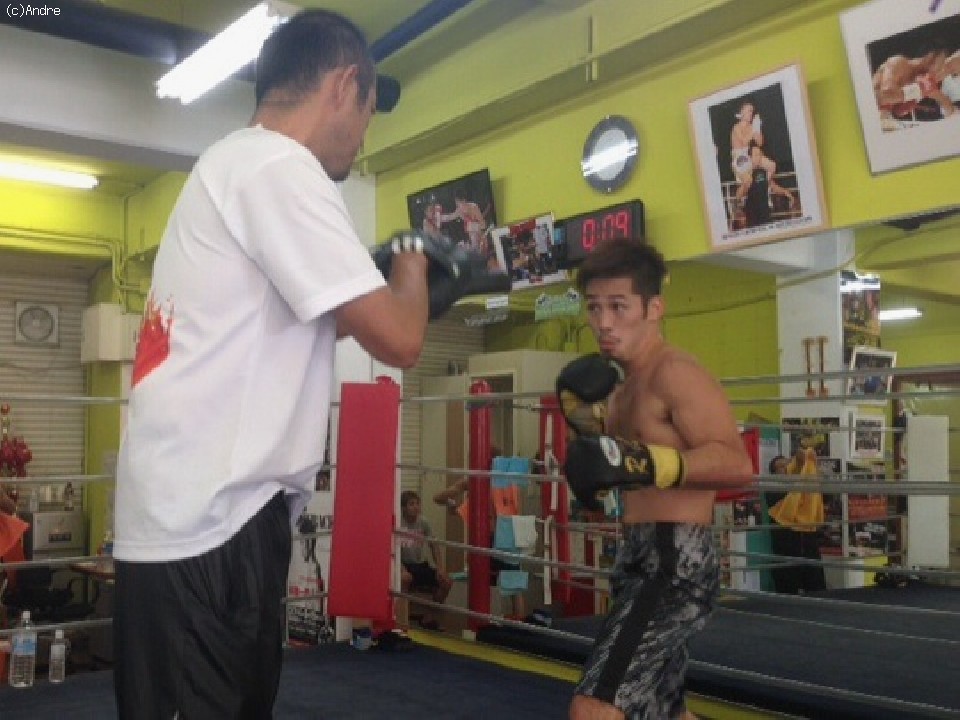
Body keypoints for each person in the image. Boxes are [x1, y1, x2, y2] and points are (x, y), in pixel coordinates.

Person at [110, 10, 474, 718]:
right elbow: (400, 340)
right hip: (210, 524)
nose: (364, 137)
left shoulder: (235, 166)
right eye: (368, 113)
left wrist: (383, 284)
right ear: (344, 85)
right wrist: (413, 263)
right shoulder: (279, 166)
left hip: (200, 521)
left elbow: (290, 333)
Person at [557, 238, 753, 720]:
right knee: (666, 711)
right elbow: (622, 472)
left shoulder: (676, 373)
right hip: (636, 552)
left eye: (619, 306)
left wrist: (655, 463)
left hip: (674, 560)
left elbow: (737, 464)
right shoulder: (620, 389)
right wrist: (588, 435)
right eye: (594, 307)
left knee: (594, 707)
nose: (604, 322)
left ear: (654, 308)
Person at [766, 450, 827, 595]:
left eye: (787, 464)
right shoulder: (772, 490)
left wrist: (810, 466)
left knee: (817, 591)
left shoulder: (807, 490)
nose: (786, 468)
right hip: (786, 551)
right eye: (781, 467)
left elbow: (822, 495)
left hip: (809, 548)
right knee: (787, 593)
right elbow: (788, 499)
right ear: (774, 474)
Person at [398, 490, 452, 630]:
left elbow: (434, 546)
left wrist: (440, 568)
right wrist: (401, 569)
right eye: (411, 504)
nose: (416, 507)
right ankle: (402, 619)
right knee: (405, 579)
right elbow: (391, 549)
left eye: (417, 503)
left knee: (446, 582)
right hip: (404, 565)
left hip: (421, 565)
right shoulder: (398, 522)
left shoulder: (423, 522)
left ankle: (429, 616)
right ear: (403, 508)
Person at [872, 46, 960, 125]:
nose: (942, 73)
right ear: (931, 57)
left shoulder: (922, 80)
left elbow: (898, 111)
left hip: (881, 119)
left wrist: (935, 95)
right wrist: (917, 90)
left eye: (951, 72)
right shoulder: (898, 62)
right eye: (943, 66)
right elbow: (883, 96)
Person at [740, 143, 795, 228]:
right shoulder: (745, 173)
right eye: (756, 155)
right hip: (752, 213)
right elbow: (738, 194)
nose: (759, 157)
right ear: (750, 157)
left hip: (765, 212)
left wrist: (785, 192)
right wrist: (744, 186)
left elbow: (772, 185)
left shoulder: (763, 172)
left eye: (760, 154)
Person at [729, 100, 765, 203]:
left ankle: (743, 201)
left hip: (749, 157)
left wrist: (757, 128)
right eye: (749, 110)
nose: (751, 113)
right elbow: (744, 141)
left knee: (767, 169)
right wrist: (754, 129)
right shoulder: (736, 127)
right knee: (748, 181)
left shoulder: (751, 127)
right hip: (739, 158)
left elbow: (760, 143)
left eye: (752, 111)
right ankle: (737, 201)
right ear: (742, 112)